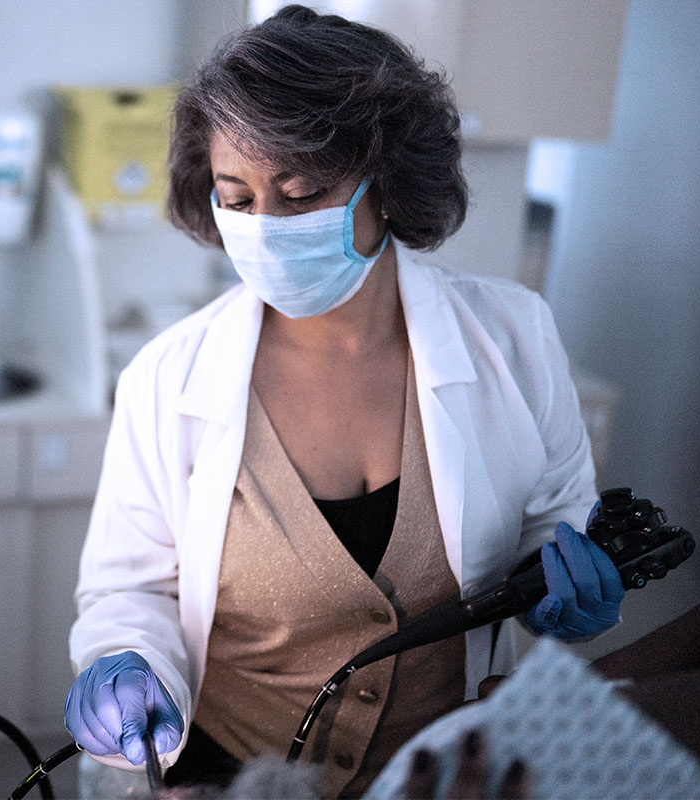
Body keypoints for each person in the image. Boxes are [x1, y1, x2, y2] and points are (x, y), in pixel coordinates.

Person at [63, 5, 625, 799]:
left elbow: (553, 515)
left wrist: (556, 586)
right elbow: (132, 588)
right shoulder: (168, 376)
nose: (264, 228)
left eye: (300, 194)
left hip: (436, 774)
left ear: (388, 184)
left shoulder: (514, 337)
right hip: (223, 773)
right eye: (238, 196)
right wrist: (127, 660)